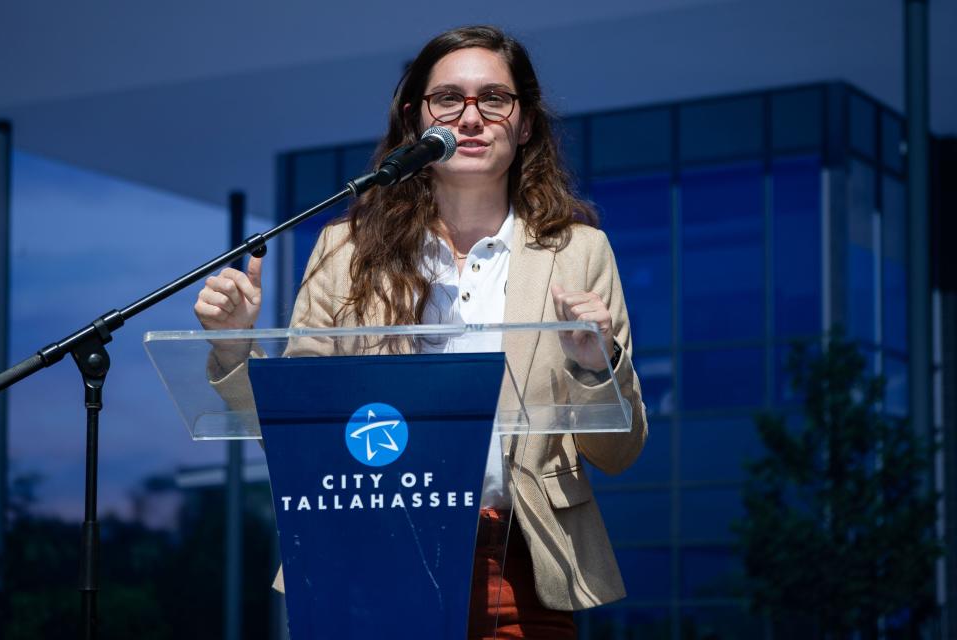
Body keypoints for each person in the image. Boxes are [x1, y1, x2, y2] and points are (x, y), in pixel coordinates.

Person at [195, 25, 648, 640]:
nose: (470, 117)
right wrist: (233, 345)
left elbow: (618, 453)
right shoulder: (344, 250)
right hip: (370, 549)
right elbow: (296, 440)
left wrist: (596, 366)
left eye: (494, 99)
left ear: (525, 124)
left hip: (517, 558)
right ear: (415, 121)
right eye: (447, 99)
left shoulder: (579, 253)